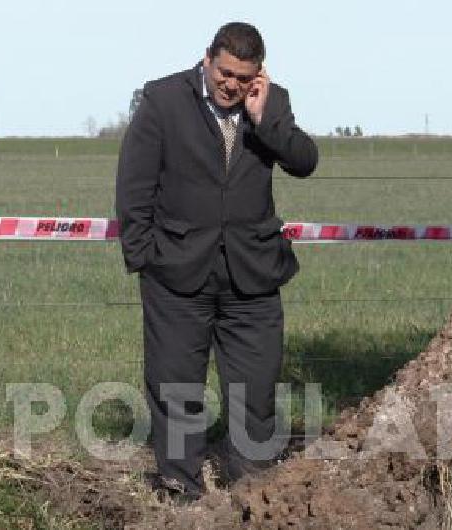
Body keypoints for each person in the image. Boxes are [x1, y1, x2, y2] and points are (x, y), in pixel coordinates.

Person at [115, 21, 318, 501]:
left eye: (243, 78)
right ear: (207, 59)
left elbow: (305, 161)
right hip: (176, 275)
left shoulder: (272, 102)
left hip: (253, 276)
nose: (231, 85)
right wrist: (147, 258)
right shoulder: (162, 101)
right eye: (224, 73)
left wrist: (265, 118)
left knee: (256, 390)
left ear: (259, 76)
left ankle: (253, 491)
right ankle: (180, 491)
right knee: (175, 389)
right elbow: (134, 189)